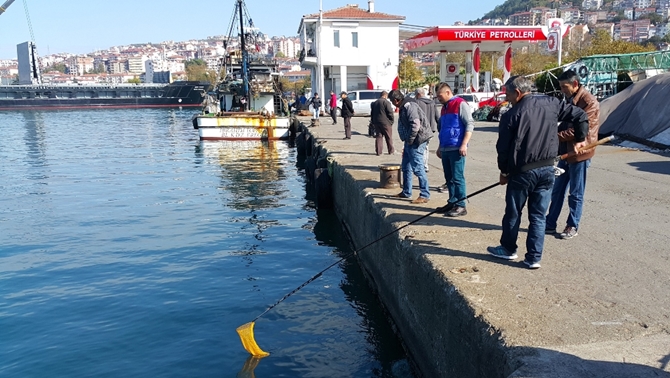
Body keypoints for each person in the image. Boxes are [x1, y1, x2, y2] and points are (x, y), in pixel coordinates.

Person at [488, 75, 589, 269]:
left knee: (513, 212)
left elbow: (503, 149)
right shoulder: (552, 103)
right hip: (547, 170)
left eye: (508, 94)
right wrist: (580, 138)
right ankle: (534, 257)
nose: (506, 98)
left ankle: (508, 249)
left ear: (517, 92)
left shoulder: (511, 115)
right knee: (538, 216)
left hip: (522, 172)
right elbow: (581, 116)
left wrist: (504, 172)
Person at [546, 70, 601, 240]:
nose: (562, 90)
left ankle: (572, 225)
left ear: (575, 84)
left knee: (576, 192)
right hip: (565, 152)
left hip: (580, 153)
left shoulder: (588, 102)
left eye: (565, 86)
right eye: (561, 86)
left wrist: (552, 135)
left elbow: (580, 130)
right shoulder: (569, 98)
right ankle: (549, 223)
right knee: (557, 190)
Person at [434, 82, 474, 217]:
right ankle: (452, 202)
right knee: (449, 178)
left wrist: (464, 144)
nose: (439, 99)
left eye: (440, 96)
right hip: (445, 147)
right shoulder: (444, 108)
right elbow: (442, 129)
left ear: (447, 93)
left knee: (458, 177)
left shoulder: (460, 104)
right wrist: (440, 147)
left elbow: (469, 124)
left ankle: (461, 205)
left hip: (457, 147)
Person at [389, 89, 432, 204]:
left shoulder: (409, 106)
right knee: (406, 166)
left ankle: (424, 194)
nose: (392, 104)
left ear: (396, 100)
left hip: (417, 140)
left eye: (392, 102)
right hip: (410, 141)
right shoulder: (404, 106)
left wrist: (410, 140)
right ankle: (406, 191)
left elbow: (415, 124)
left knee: (418, 168)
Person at [415, 87, 440, 173]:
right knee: (426, 147)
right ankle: (425, 165)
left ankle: (422, 165)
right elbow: (437, 116)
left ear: (418, 94)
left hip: (421, 129)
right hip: (431, 129)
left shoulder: (417, 102)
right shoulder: (432, 103)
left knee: (420, 148)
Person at [370, 91, 395, 155]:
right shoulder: (386, 102)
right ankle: (391, 151)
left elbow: (372, 113)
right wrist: (391, 121)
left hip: (377, 122)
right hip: (386, 123)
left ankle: (379, 151)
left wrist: (373, 121)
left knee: (378, 137)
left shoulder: (375, 102)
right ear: (385, 96)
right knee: (388, 137)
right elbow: (390, 112)